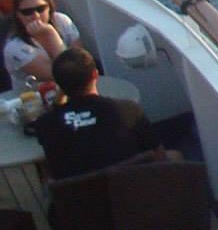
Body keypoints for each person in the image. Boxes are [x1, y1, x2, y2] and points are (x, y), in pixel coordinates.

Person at [29, 47, 164, 181]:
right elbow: (159, 155)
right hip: (131, 188)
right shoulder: (128, 110)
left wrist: (58, 102)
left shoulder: (45, 124)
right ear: (95, 74)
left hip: (78, 194)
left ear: (59, 84)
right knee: (172, 155)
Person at [4, 0, 81, 91]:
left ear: (49, 7)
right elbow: (65, 75)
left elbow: (80, 64)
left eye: (40, 9)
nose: (36, 16)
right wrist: (51, 35)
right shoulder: (14, 47)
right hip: (35, 96)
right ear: (17, 15)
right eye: (27, 12)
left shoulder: (62, 21)